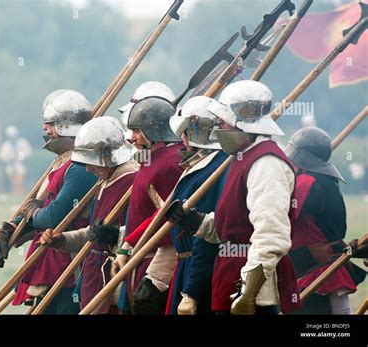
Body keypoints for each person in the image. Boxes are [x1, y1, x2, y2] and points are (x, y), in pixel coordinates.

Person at [167, 80, 301, 315]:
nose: (218, 127)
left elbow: (271, 234)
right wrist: (197, 223)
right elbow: (232, 227)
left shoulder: (266, 162)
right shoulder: (242, 157)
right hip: (229, 274)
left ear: (241, 123)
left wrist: (248, 292)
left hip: (252, 287)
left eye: (222, 121)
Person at [0, 90, 97, 314]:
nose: (45, 129)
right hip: (51, 259)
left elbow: (52, 216)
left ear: (67, 125)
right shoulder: (63, 161)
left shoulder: (80, 167)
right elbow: (40, 205)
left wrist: (33, 211)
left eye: (51, 123)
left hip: (71, 263)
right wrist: (10, 230)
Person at [40, 116, 138, 313]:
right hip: (95, 276)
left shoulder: (132, 180)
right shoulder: (105, 180)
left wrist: (116, 236)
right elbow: (94, 232)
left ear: (108, 157)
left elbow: (143, 230)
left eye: (91, 161)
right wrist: (63, 240)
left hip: (118, 275)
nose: (88, 168)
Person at [114, 94, 184, 314]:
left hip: (157, 254)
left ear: (154, 130)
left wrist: (129, 243)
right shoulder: (153, 157)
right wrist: (127, 244)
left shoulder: (171, 161)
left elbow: (168, 217)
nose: (132, 138)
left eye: (137, 131)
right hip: (141, 252)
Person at [286, 127, 366, 314]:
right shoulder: (328, 180)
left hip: (317, 272)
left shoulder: (306, 182)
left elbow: (283, 219)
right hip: (327, 266)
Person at [160, 96, 229, 314]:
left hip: (201, 270)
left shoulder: (214, 170)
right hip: (185, 267)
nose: (182, 139)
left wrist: (192, 292)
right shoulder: (202, 165)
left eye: (185, 133)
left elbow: (205, 239)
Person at [0, 125, 32, 195]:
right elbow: (2, 156)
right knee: (13, 181)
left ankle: (20, 193)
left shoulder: (22, 142)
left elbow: (27, 152)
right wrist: (9, 158)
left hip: (20, 164)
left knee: (20, 181)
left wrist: (20, 157)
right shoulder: (6, 145)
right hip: (10, 165)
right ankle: (14, 194)